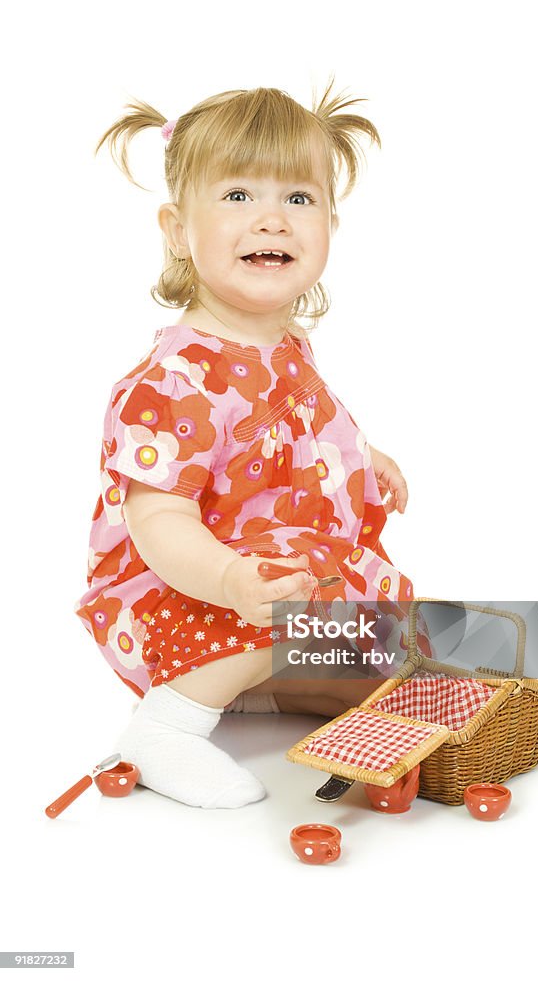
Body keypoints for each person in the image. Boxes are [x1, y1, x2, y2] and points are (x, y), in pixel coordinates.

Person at [74, 78, 431, 809]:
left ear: (331, 222)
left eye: (298, 200)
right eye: (237, 197)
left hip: (279, 577)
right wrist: (229, 580)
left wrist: (367, 463)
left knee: (377, 635)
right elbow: (160, 520)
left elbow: (304, 436)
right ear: (177, 229)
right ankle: (166, 727)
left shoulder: (289, 349)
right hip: (182, 588)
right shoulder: (171, 380)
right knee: (286, 589)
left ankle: (264, 698)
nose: (271, 219)